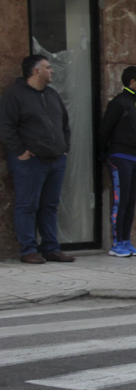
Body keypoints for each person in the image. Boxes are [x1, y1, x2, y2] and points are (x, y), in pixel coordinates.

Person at [0, 55, 75, 264]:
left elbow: (64, 124)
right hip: (29, 161)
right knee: (27, 205)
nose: (52, 71)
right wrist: (21, 151)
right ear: (36, 71)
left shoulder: (52, 95)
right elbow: (5, 127)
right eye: (48, 67)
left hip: (56, 159)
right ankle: (28, 250)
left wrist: (64, 148)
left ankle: (51, 248)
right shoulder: (14, 96)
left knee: (50, 205)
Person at [98, 66, 136, 257]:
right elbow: (105, 130)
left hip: (135, 157)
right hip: (120, 158)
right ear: (132, 82)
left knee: (131, 200)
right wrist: (103, 153)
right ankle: (116, 243)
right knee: (121, 200)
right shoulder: (119, 103)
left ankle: (126, 240)